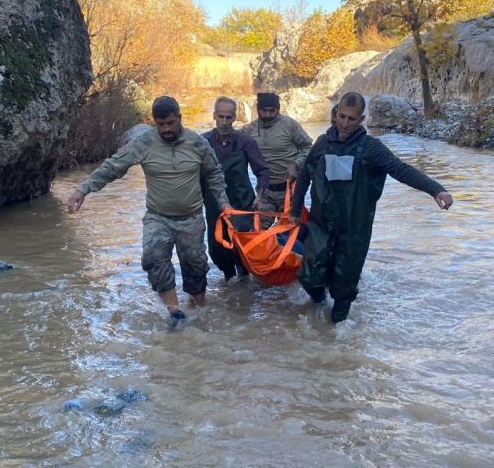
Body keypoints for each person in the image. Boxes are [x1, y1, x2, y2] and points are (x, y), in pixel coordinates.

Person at [290, 91, 454, 323]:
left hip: (354, 230)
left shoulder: (371, 148)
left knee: (344, 289)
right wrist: (295, 210)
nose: (345, 123)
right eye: (342, 117)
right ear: (336, 115)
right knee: (309, 277)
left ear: (362, 120)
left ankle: (335, 333)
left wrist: (435, 189)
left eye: (351, 119)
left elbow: (400, 170)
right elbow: (305, 176)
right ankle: (318, 308)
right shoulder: (322, 144)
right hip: (321, 224)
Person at [67, 96, 230, 328]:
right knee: (153, 259)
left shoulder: (197, 143)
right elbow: (113, 166)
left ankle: (198, 312)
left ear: (179, 118)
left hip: (191, 219)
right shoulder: (144, 143)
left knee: (195, 267)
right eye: (160, 124)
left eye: (170, 123)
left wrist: (223, 203)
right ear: (154, 122)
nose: (166, 129)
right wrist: (83, 190)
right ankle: (174, 313)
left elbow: (214, 173)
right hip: (157, 218)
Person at [201, 97, 270, 282]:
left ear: (234, 117)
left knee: (243, 250)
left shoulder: (245, 142)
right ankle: (228, 284)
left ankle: (244, 286)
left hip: (243, 204)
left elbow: (262, 171)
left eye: (228, 117)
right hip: (214, 205)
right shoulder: (203, 142)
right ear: (214, 116)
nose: (224, 122)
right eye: (221, 116)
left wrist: (260, 196)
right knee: (217, 250)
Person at [241, 92, 313, 217]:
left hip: (289, 190)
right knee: (258, 228)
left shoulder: (290, 125)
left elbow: (308, 147)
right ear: (257, 109)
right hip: (264, 192)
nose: (268, 115)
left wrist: (296, 164)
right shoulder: (248, 130)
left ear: (278, 109)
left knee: (292, 227)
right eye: (264, 111)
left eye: (272, 111)